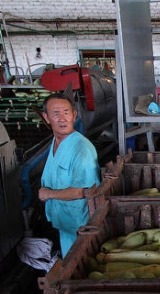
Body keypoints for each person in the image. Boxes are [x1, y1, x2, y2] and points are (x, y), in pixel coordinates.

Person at [37, 93, 100, 256]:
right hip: (64, 221)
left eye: (66, 112)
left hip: (80, 224)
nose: (62, 119)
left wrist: (48, 194)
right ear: (46, 117)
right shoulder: (57, 142)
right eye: (55, 114)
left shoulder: (81, 148)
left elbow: (81, 191)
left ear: (74, 115)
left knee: (80, 263)